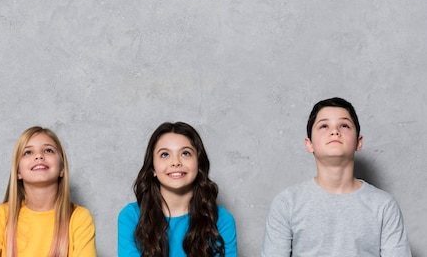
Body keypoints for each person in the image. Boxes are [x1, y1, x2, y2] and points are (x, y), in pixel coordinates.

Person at [262, 97, 412, 256]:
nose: (335, 131)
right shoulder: (287, 204)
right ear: (309, 144)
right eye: (324, 126)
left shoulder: (385, 206)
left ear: (358, 142)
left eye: (345, 125)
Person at [118, 121, 237, 257]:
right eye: (165, 154)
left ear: (199, 164)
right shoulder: (131, 216)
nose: (176, 162)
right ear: (153, 168)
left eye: (185, 153)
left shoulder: (222, 220)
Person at [0, 126, 96, 257]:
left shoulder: (79, 218)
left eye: (48, 150)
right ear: (18, 172)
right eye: (28, 152)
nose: (39, 156)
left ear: (62, 168)